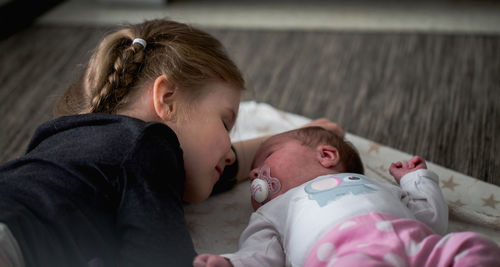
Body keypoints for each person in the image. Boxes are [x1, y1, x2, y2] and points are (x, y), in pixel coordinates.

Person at [0, 19, 343, 267]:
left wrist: (290, 140)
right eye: (225, 122)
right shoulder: (144, 144)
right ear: (166, 98)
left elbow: (216, 165)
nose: (228, 150)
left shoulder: (78, 145)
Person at [193, 127, 500, 267]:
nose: (257, 174)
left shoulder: (379, 187)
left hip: (419, 246)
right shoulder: (273, 212)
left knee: (474, 247)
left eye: (267, 158)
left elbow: (431, 219)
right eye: (254, 173)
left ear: (326, 155)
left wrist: (415, 179)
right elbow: (261, 255)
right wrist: (230, 264)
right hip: (343, 258)